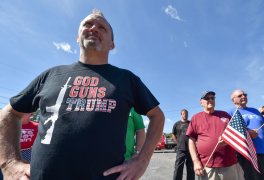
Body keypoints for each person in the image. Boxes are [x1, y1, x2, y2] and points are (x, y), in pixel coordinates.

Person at [0, 9, 164, 180]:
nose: (93, 28)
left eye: (102, 27)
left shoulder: (126, 79)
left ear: (112, 44)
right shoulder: (51, 75)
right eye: (87, 24)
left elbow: (157, 117)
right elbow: (9, 113)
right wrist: (9, 163)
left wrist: (142, 160)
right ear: (77, 37)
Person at [186, 91, 244, 180]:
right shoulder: (196, 118)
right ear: (201, 102)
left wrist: (228, 140)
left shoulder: (225, 115)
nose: (210, 100)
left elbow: (236, 134)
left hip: (229, 164)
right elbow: (191, 140)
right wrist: (195, 161)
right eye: (207, 98)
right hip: (207, 166)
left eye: (212, 98)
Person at [229, 89, 264, 180]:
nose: (243, 96)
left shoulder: (255, 111)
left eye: (245, 94)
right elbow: (232, 134)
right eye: (240, 96)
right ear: (233, 100)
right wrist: (247, 134)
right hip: (249, 157)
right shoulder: (230, 113)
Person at [172, 109, 195, 180]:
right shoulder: (176, 124)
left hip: (190, 150)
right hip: (180, 149)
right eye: (184, 114)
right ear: (181, 114)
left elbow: (194, 134)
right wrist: (177, 142)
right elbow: (173, 134)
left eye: (187, 114)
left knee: (191, 169)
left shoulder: (191, 123)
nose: (185, 115)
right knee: (178, 168)